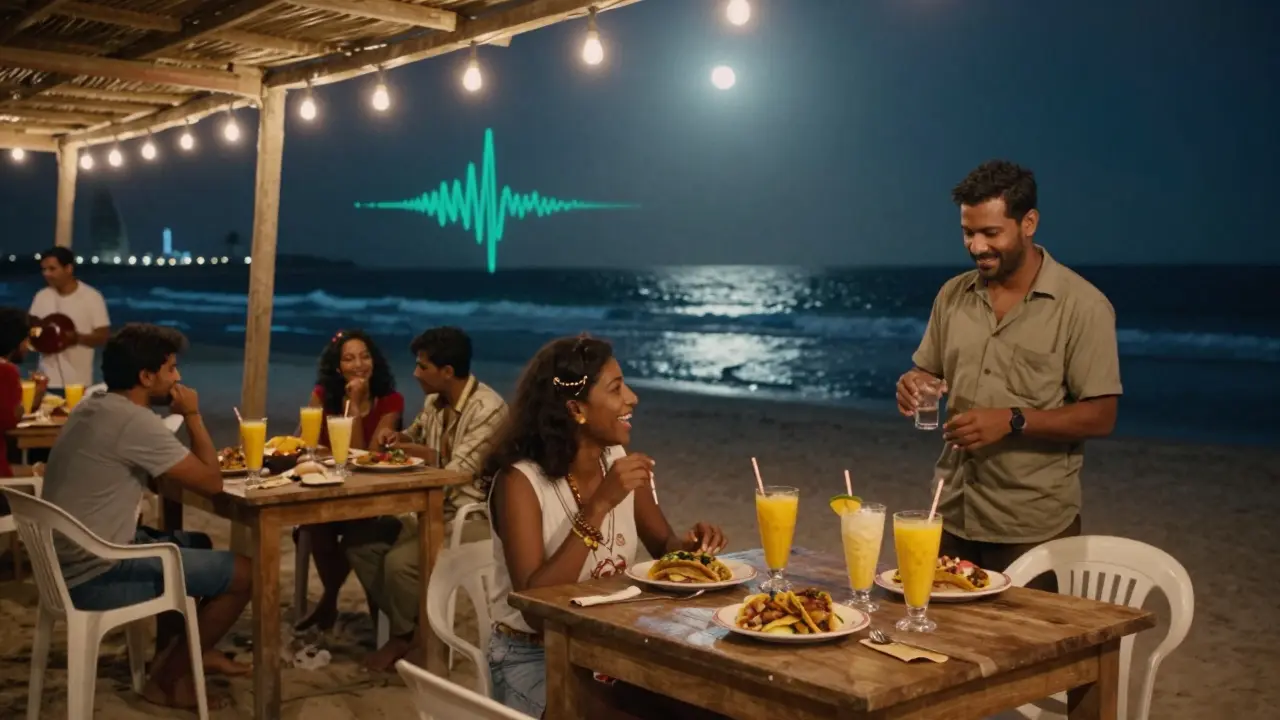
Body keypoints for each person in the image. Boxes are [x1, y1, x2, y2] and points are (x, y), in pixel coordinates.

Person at [896, 160, 1122, 588]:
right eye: (968, 232)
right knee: (943, 646)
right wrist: (911, 384)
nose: (977, 246)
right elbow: (927, 371)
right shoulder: (953, 295)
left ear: (1029, 223)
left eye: (991, 233)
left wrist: (1012, 419)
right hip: (950, 513)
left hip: (1032, 530)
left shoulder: (1083, 307)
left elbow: (1101, 414)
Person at [486, 335, 727, 718]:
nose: (633, 398)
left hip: (608, 645)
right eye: (616, 389)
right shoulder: (520, 482)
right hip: (533, 654)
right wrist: (599, 506)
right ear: (575, 408)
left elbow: (663, 546)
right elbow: (536, 610)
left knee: (709, 707)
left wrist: (691, 549)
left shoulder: (617, 460)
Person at [41, 323, 251, 710]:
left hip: (63, 562)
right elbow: (213, 483)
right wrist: (193, 416)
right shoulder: (135, 422)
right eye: (171, 368)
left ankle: (175, 660)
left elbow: (146, 473)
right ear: (146, 376)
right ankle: (167, 681)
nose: (179, 377)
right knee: (243, 574)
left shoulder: (94, 405)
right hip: (95, 576)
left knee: (196, 543)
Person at [347, 326, 506, 670]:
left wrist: (412, 450)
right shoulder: (435, 402)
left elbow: (458, 472)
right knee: (360, 545)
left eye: (422, 367)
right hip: (428, 508)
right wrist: (396, 436)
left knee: (399, 565)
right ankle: (412, 632)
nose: (415, 374)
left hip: (472, 515)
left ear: (447, 372)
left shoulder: (488, 409)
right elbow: (414, 435)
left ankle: (415, 640)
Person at [293, 329, 404, 633]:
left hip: (370, 496)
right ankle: (329, 602)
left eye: (365, 356)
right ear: (337, 367)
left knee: (358, 528)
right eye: (349, 358)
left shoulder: (391, 400)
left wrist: (354, 404)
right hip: (328, 491)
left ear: (374, 361)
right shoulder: (322, 395)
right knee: (315, 524)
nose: (358, 364)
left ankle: (328, 601)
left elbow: (361, 456)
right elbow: (307, 444)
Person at [28, 247, 110, 388]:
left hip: (78, 383)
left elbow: (103, 336)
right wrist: (39, 338)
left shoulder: (92, 297)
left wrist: (76, 338)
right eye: (44, 269)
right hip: (46, 382)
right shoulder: (42, 296)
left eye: (52, 269)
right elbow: (31, 329)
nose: (47, 274)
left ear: (68, 269)